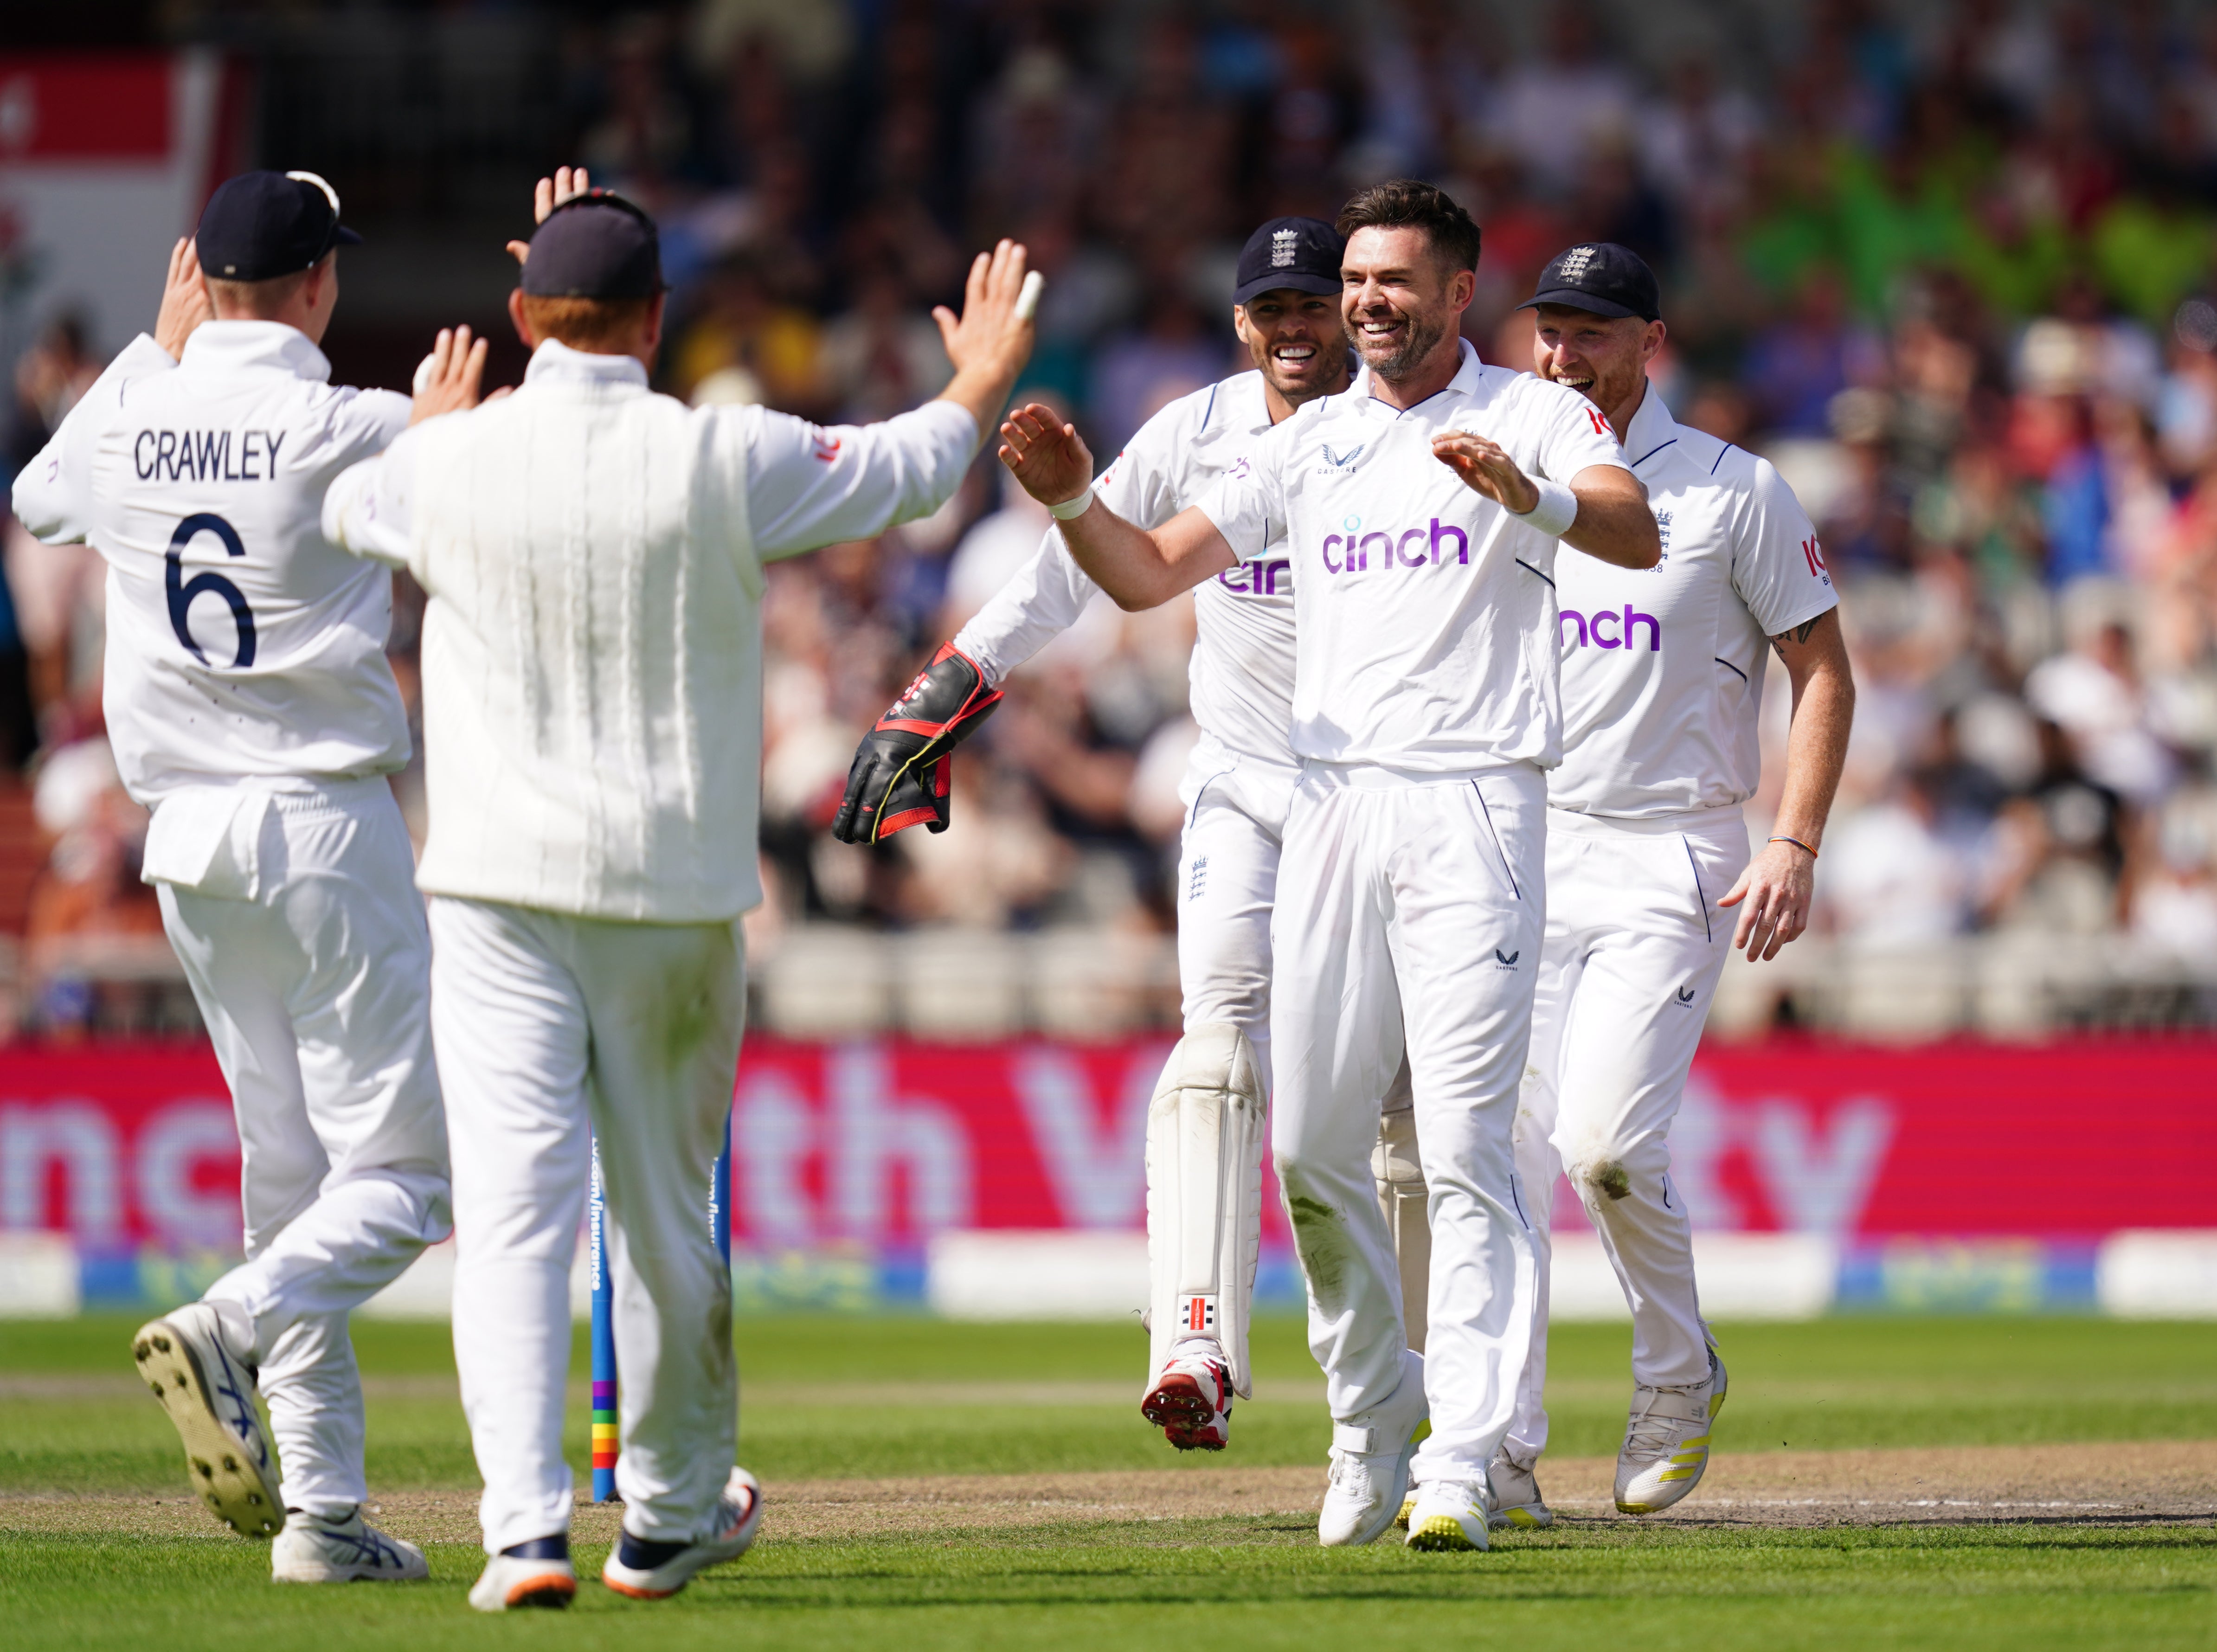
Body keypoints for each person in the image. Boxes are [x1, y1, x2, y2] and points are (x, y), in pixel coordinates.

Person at [322, 170, 1036, 1610]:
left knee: (515, 1218)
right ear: (659, 323)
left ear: (523, 315)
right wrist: (978, 377)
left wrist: (436, 427)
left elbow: (347, 507)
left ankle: (522, 1532)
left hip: (492, 896)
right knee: (660, 1217)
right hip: (670, 897)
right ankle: (661, 1516)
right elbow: (907, 469)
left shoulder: (437, 468)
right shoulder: (721, 453)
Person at [996, 180, 1660, 1552]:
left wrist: (1526, 497)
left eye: (1392, 282)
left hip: (1477, 803)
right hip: (1332, 808)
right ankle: (1371, 1416)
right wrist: (1070, 501)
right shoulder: (1310, 445)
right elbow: (1142, 572)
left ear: (1458, 294)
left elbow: (1630, 527)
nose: (1362, 301)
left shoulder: (1533, 410)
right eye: (1353, 279)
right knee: (1308, 1145)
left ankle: (1461, 1461)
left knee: (1467, 1149)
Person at [10, 171, 482, 1582]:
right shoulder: (352, 423)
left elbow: (40, 498)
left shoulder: (138, 404)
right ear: (323, 287)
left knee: (293, 1183)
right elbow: (465, 504)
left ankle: (325, 1519)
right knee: (409, 1173)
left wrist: (149, 357)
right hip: (325, 828)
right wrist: (445, 438)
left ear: (198, 280)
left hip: (190, 847)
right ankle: (233, 1321)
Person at [832, 216, 1353, 1452]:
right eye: (1267, 307)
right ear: (1239, 322)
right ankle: (1192, 1341)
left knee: (1377, 1110)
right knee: (1215, 1037)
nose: (1289, 327)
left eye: (1309, 304)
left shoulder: (1395, 433)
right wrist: (940, 692)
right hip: (1240, 784)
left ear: (1348, 312)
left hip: (1381, 794)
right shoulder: (1197, 429)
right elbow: (1074, 569)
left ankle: (1441, 1409)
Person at [1387, 243, 1854, 1530]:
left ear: (1649, 342)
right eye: (1548, 330)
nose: (1561, 354)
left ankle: (1673, 1370)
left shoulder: (1731, 488)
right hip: (1521, 841)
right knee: (1496, 1157)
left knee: (1600, 1145)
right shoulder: (1481, 463)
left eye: (1592, 333)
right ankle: (1495, 1446)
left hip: (1671, 847)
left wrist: (1793, 840)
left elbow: (1821, 672)